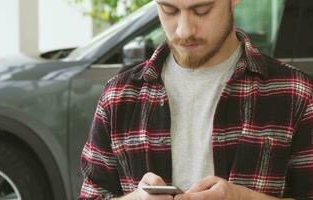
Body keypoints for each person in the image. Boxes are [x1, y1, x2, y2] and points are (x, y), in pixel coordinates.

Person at [79, 0, 313, 199]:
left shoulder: (295, 92)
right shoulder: (118, 96)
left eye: (202, 10)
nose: (184, 30)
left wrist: (244, 197)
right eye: (169, 10)